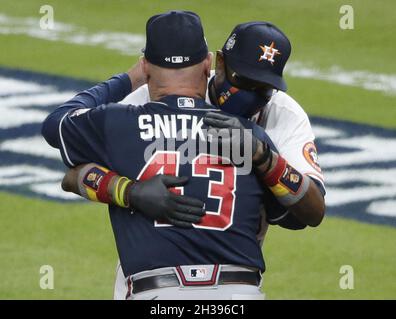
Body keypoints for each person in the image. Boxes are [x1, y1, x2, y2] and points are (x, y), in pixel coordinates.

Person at [62, 20, 326, 299]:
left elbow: (308, 212)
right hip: (156, 278)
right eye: (243, 81)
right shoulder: (147, 99)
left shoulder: (283, 115)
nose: (250, 95)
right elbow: (74, 172)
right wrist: (129, 191)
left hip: (226, 278)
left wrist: (266, 159)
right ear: (218, 63)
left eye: (263, 89)